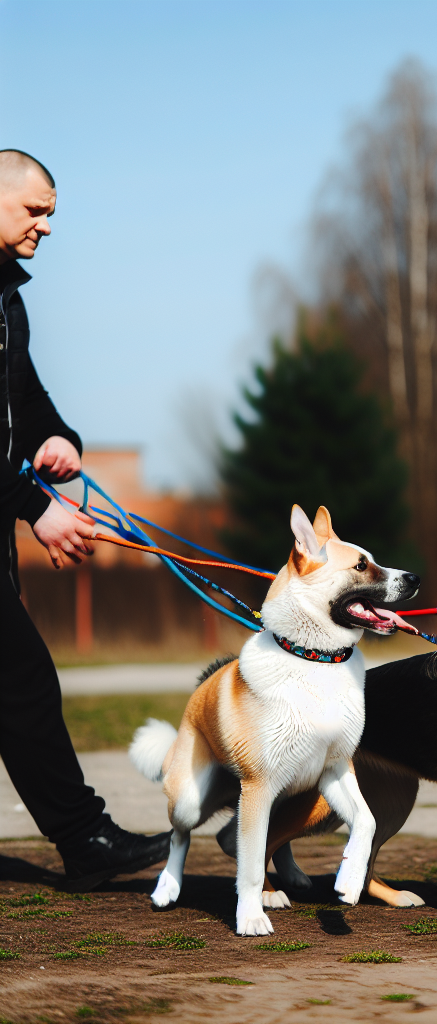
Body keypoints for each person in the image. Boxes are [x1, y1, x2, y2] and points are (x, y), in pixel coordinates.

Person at [0, 149, 170, 889]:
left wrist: (57, 436)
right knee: (23, 678)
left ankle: (84, 839)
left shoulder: (8, 299)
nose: (45, 226)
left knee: (17, 679)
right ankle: (84, 840)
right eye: (34, 210)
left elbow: (23, 396)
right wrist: (38, 508)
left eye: (51, 214)